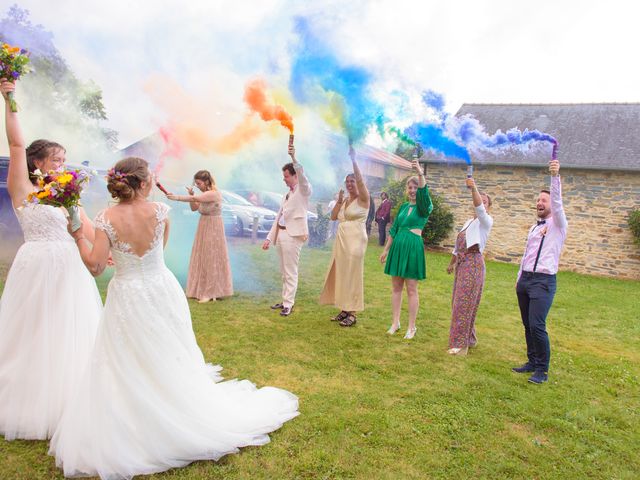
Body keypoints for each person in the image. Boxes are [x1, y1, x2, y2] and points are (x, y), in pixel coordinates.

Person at [50, 157, 299, 479]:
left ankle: (139, 418)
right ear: (142, 183)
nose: (154, 182)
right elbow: (157, 252)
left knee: (128, 356)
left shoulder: (104, 218)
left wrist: (77, 236)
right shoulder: (161, 213)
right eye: (150, 178)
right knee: (167, 349)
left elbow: (95, 267)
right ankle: (172, 407)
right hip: (160, 287)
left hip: (127, 292)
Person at [0, 79, 101, 440]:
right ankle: (28, 396)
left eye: (63, 158)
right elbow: (14, 143)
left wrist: (116, 250)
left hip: (70, 267)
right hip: (36, 265)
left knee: (70, 327)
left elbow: (90, 231)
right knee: (33, 330)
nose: (61, 163)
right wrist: (9, 98)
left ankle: (71, 394)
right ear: (37, 161)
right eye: (55, 158)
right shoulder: (23, 188)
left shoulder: (67, 193)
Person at [512, 159, 567, 385]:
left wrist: (554, 177)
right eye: (538, 200)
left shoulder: (558, 224)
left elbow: (558, 201)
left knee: (537, 325)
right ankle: (532, 361)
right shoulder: (534, 227)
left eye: (544, 200)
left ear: (552, 204)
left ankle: (542, 370)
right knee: (527, 324)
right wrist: (519, 279)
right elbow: (527, 255)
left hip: (543, 282)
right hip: (525, 279)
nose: (539, 202)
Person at [379, 160, 433, 339]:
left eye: (415, 187)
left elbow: (424, 195)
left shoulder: (424, 207)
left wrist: (420, 174)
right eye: (410, 187)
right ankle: (395, 322)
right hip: (398, 248)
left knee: (411, 288)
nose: (412, 190)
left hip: (412, 249)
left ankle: (412, 326)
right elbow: (393, 230)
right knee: (396, 287)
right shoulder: (403, 207)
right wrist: (386, 250)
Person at [319, 146, 369, 327]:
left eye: (352, 181)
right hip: (341, 242)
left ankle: (353, 313)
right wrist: (339, 201)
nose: (349, 184)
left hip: (355, 241)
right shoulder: (346, 200)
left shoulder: (364, 199)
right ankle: (344, 308)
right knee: (342, 274)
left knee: (353, 275)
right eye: (347, 181)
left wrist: (354, 160)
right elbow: (333, 217)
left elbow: (362, 182)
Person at [166, 170, 233, 303]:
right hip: (204, 225)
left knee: (211, 257)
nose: (197, 186)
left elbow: (195, 199)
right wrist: (191, 195)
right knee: (202, 256)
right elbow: (194, 207)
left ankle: (211, 292)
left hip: (213, 227)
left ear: (207, 182)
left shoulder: (213, 193)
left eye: (199, 183)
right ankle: (202, 289)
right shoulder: (204, 195)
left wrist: (177, 197)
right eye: (196, 184)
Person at [262, 144, 312, 317]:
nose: (284, 179)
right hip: (282, 233)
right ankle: (285, 300)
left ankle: (289, 304)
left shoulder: (303, 190)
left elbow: (303, 177)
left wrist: (293, 158)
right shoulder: (286, 194)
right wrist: (269, 237)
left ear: (294, 176)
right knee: (284, 270)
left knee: (290, 271)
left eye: (286, 176)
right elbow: (279, 216)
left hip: (294, 235)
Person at [446, 176, 493, 355]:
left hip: (473, 265)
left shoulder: (486, 221)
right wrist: (452, 264)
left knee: (463, 303)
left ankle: (460, 345)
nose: (481, 203)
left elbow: (480, 210)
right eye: (480, 199)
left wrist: (474, 189)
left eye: (485, 201)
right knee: (459, 303)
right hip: (462, 265)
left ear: (488, 206)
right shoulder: (468, 222)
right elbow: (458, 246)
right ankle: (470, 338)